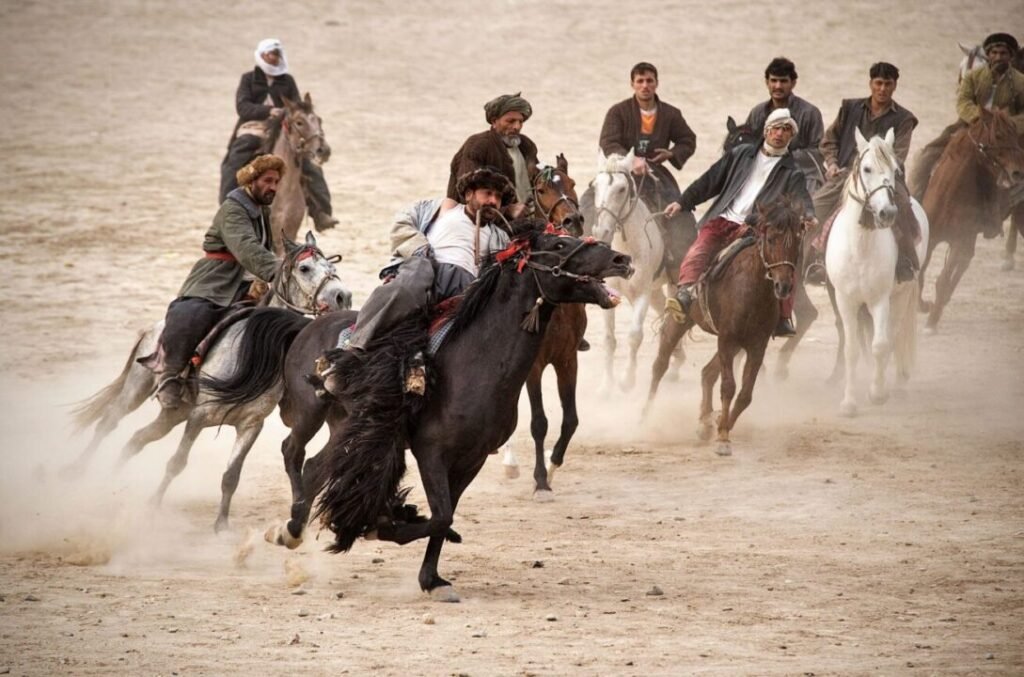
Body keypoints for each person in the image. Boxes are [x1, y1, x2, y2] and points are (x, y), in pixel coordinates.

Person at [142, 155, 284, 409]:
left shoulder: (262, 210)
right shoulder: (233, 209)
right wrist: (281, 270)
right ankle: (170, 378)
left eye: (276, 181)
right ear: (252, 180)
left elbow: (266, 248)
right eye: (268, 180)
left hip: (247, 283)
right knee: (191, 315)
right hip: (216, 280)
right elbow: (247, 248)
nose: (273, 186)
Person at [663, 109, 815, 337]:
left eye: (786, 130)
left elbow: (801, 196)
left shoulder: (792, 172)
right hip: (723, 220)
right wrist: (683, 202)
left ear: (790, 136)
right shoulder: (741, 154)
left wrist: (809, 214)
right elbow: (710, 180)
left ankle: (782, 318)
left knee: (785, 265)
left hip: (755, 229)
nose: (780, 133)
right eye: (776, 128)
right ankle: (685, 295)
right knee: (698, 250)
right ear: (766, 131)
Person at [343, 168, 517, 356]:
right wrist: (420, 249)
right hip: (429, 268)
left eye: (498, 197)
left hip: (467, 285)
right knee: (407, 287)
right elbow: (403, 221)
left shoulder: (499, 237)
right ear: (468, 194)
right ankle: (356, 343)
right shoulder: (442, 209)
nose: (493, 201)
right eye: (487, 193)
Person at [810, 62, 920, 282]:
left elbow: (898, 154)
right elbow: (828, 140)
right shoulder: (850, 108)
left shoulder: (905, 119)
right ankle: (813, 261)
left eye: (888, 84)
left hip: (885, 178)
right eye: (878, 83)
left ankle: (906, 260)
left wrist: (880, 169)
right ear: (870, 83)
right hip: (847, 175)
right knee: (815, 206)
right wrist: (832, 163)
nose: (882, 89)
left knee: (903, 206)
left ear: (895, 85)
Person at [219, 38, 338, 231]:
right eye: (271, 54)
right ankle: (229, 210)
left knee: (310, 166)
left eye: (277, 54)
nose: (274, 58)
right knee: (236, 159)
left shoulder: (287, 81)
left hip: (283, 127)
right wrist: (268, 111)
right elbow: (243, 107)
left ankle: (320, 212)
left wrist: (290, 115)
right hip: (254, 126)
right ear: (262, 55)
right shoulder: (248, 79)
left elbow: (298, 106)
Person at [599, 62, 698, 274]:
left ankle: (677, 267)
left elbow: (688, 139)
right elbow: (608, 142)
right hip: (621, 172)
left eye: (649, 81)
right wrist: (630, 160)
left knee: (679, 213)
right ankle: (591, 256)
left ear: (656, 83)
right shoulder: (618, 112)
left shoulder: (671, 114)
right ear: (632, 84)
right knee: (592, 202)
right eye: (640, 81)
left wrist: (672, 153)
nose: (645, 85)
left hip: (655, 175)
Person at [909, 33, 1024, 202]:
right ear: (988, 55)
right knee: (926, 156)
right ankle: (915, 199)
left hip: (1005, 134)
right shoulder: (973, 76)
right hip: (970, 126)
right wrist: (981, 119)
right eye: (994, 53)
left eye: (1003, 53)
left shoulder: (1020, 82)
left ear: (1010, 56)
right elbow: (963, 102)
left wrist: (1006, 124)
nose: (998, 57)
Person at [447, 94, 539, 207]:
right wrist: (508, 211)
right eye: (511, 121)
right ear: (494, 121)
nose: (517, 126)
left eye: (520, 122)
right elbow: (467, 188)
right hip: (484, 218)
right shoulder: (478, 144)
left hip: (528, 217)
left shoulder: (526, 145)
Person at [743, 57, 825, 153]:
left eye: (783, 81)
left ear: (793, 83)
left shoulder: (809, 113)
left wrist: (784, 159)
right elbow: (746, 147)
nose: (778, 86)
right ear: (767, 82)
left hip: (797, 167)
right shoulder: (757, 113)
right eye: (774, 80)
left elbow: (817, 152)